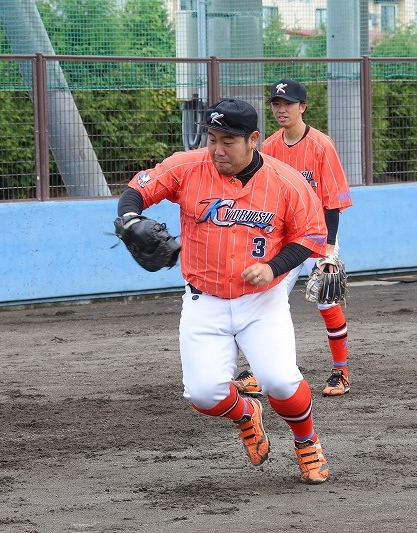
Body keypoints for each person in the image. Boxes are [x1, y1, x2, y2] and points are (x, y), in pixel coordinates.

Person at [116, 98, 330, 483]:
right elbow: (138, 189)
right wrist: (130, 218)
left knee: (280, 381)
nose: (217, 149)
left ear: (253, 139)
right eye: (212, 138)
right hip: (204, 300)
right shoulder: (187, 166)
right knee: (203, 395)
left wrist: (274, 267)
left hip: (262, 303)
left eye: (227, 141)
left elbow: (311, 236)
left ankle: (307, 441)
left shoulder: (286, 181)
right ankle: (247, 414)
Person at [232, 79, 354, 397]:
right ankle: (260, 370)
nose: (281, 109)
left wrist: (329, 250)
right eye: (276, 103)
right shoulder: (270, 146)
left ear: (303, 107)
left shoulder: (321, 145)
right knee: (266, 300)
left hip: (318, 235)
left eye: (287, 103)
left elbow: (332, 200)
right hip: (285, 239)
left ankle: (341, 372)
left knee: (327, 300)